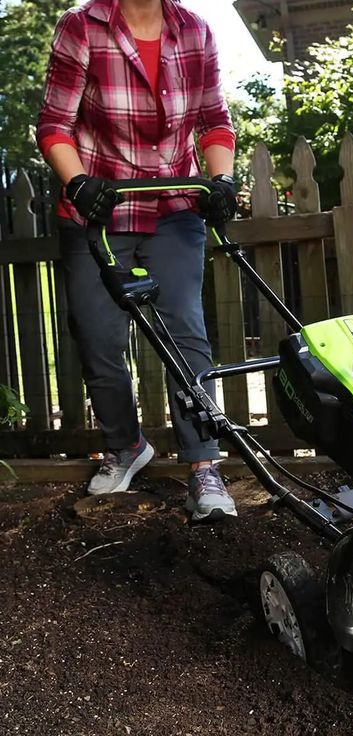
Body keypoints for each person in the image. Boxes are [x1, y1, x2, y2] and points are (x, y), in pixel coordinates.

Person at [37, 0, 239, 522]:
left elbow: (215, 121)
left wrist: (221, 180)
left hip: (174, 206)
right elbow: (55, 124)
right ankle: (125, 446)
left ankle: (203, 465)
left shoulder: (193, 30)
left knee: (185, 331)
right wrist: (78, 183)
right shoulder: (82, 27)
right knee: (99, 337)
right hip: (98, 210)